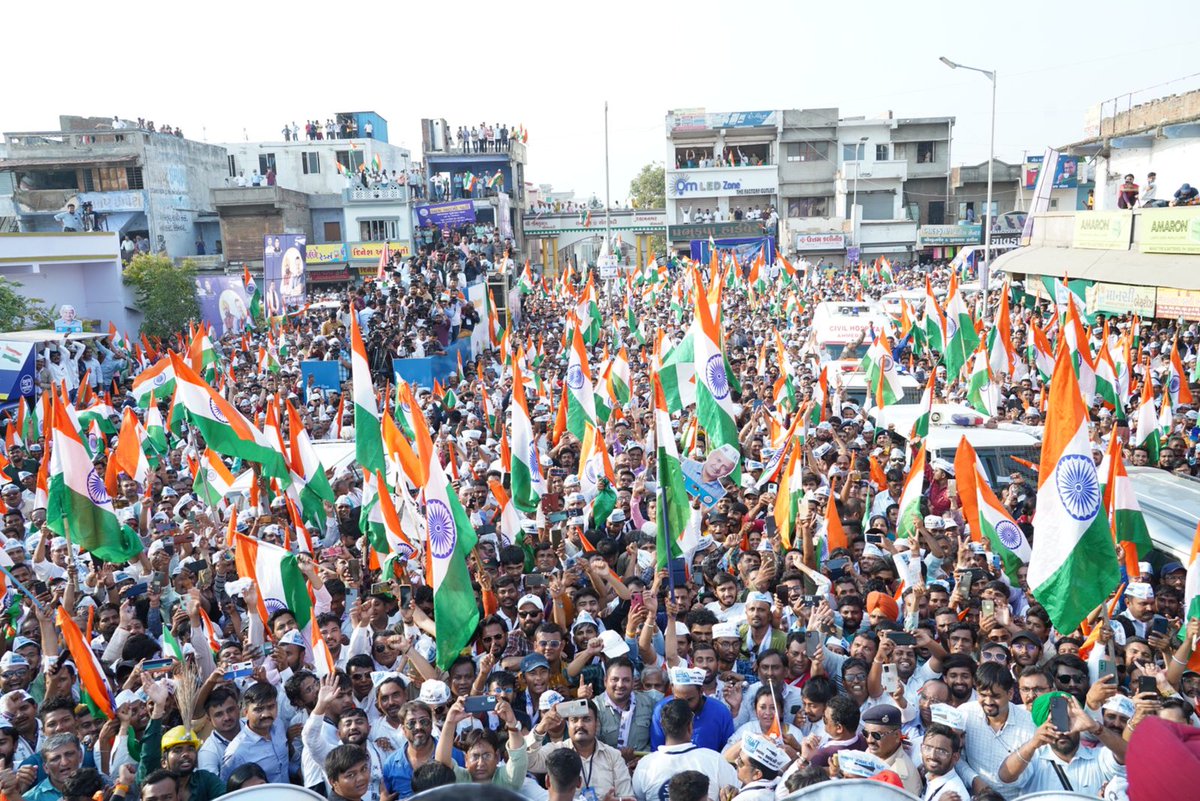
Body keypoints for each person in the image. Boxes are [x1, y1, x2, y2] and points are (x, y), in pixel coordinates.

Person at [632, 700, 738, 801]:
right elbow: (737, 792)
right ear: (690, 726)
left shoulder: (645, 765)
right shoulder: (714, 760)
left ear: (662, 725)